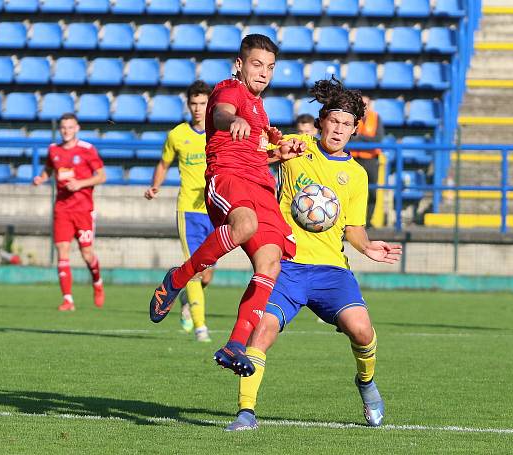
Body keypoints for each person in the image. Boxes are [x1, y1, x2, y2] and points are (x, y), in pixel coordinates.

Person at [225, 78, 402, 431]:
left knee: (362, 332)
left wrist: (367, 246)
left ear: (355, 129)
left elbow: (353, 227)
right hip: (286, 266)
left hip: (330, 271)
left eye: (346, 125)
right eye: (333, 121)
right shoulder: (297, 146)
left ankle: (366, 384)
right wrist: (264, 147)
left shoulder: (355, 175)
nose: (338, 130)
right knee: (263, 330)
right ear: (322, 121)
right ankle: (246, 412)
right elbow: (253, 154)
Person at [148, 34, 306, 376]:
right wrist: (231, 120)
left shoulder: (260, 109)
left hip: (261, 185)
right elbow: (221, 114)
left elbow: (256, 153)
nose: (264, 73)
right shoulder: (229, 90)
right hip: (228, 177)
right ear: (240, 64)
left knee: (271, 263)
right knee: (244, 225)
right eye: (256, 64)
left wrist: (279, 153)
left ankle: (235, 343)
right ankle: (178, 278)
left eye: (270, 67)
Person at [144, 80, 214, 342]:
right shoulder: (177, 135)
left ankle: (184, 298)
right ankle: (200, 328)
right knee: (195, 268)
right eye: (194, 104)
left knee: (206, 275)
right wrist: (155, 186)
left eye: (202, 103)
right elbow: (164, 163)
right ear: (188, 105)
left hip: (215, 210)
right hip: (189, 211)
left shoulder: (219, 133)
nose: (198, 109)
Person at [33, 113, 107, 311]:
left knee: (87, 254)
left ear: (77, 128)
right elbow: (49, 169)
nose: (67, 131)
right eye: (63, 127)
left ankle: (97, 283)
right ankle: (68, 300)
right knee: (62, 252)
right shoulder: (53, 150)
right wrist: (41, 178)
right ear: (60, 129)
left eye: (70, 127)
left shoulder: (87, 150)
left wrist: (80, 183)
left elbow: (101, 176)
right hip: (62, 209)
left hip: (83, 210)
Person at [349, 95, 385, 227]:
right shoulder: (351, 117)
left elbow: (378, 139)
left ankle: (368, 221)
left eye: (366, 104)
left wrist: (360, 137)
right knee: (352, 192)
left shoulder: (376, 118)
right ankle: (351, 222)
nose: (363, 107)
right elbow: (349, 138)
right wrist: (363, 138)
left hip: (370, 160)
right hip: (353, 159)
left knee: (372, 191)